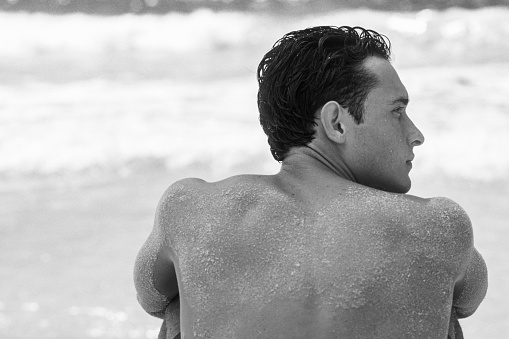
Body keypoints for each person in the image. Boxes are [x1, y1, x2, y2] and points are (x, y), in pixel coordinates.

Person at [134, 26, 488, 339]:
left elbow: (151, 297)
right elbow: (470, 298)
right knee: (443, 308)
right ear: (336, 122)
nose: (416, 135)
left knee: (179, 302)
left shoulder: (192, 208)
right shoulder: (438, 225)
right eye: (397, 111)